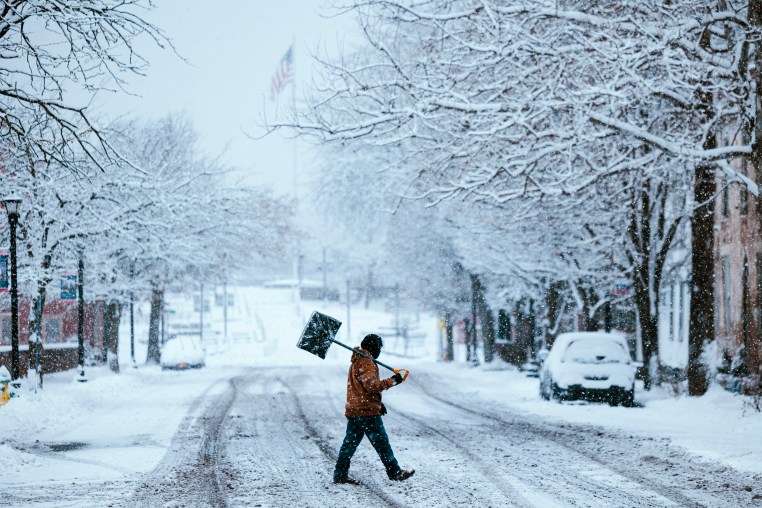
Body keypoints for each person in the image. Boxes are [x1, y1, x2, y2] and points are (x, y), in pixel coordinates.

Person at [333, 333, 414, 484]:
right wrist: (392, 381)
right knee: (382, 443)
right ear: (374, 347)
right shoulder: (367, 361)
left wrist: (377, 403)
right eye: (379, 348)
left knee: (349, 444)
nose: (379, 351)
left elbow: (361, 388)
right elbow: (371, 386)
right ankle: (394, 471)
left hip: (356, 409)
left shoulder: (357, 360)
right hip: (366, 412)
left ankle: (340, 473)